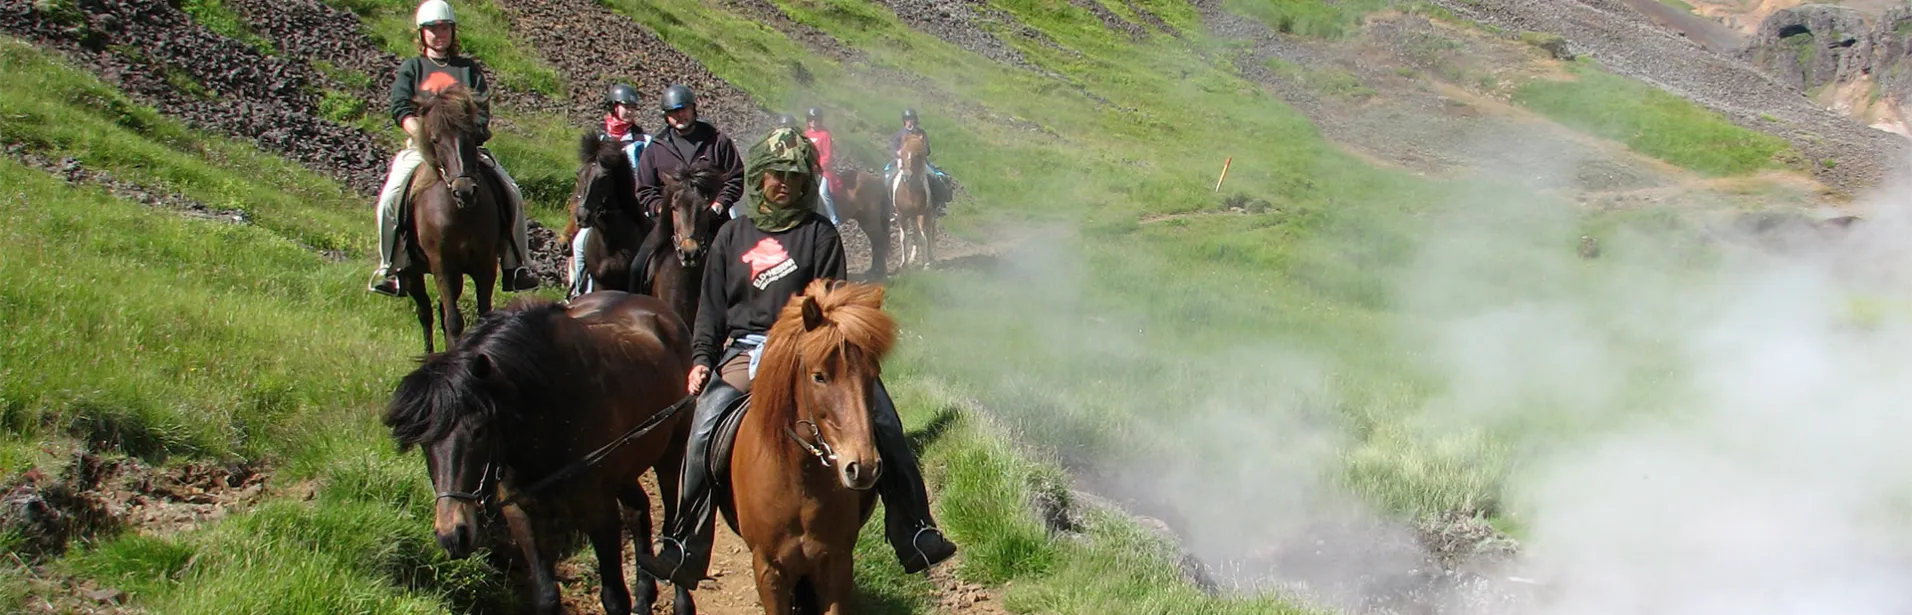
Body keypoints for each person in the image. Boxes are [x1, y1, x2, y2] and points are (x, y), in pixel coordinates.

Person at [638, 127, 958, 588]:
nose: (784, 183)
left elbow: (835, 306)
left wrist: (809, 343)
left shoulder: (820, 234)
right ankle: (686, 544)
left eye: (793, 174)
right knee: (702, 426)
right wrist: (703, 359)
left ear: (806, 180)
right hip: (745, 348)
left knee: (883, 421)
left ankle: (914, 528)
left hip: (813, 350)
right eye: (775, 174)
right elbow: (710, 309)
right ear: (760, 178)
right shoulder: (732, 235)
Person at [369, 0, 539, 296]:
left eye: (444, 28)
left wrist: (468, 136)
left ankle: (517, 265)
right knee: (390, 198)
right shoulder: (413, 68)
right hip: (422, 149)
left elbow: (482, 111)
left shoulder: (467, 70)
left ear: (452, 31)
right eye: (432, 29)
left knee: (512, 191)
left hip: (466, 149)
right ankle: (390, 268)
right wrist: (422, 134)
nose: (439, 34)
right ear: (422, 33)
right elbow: (400, 108)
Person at [628, 84, 745, 292]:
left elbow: (735, 177)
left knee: (743, 264)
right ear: (666, 116)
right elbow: (645, 189)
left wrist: (720, 204)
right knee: (638, 266)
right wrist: (661, 210)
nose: (679, 115)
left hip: (713, 220)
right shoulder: (656, 148)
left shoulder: (717, 141)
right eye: (673, 112)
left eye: (683, 109)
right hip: (672, 224)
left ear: (694, 109)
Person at [569, 82, 652, 297]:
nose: (630, 110)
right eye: (625, 106)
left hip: (635, 206)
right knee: (579, 244)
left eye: (633, 107)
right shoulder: (599, 141)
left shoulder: (643, 141)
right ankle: (578, 293)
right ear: (613, 107)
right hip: (600, 211)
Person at [882, 108, 953, 221]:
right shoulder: (899, 134)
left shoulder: (921, 133)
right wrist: (899, 153)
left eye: (912, 119)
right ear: (904, 121)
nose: (911, 121)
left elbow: (928, 150)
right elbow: (894, 149)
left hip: (920, 164)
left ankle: (939, 205)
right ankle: (890, 209)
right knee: (887, 179)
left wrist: (920, 152)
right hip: (902, 163)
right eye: (908, 119)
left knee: (935, 177)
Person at [802, 107, 840, 225]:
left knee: (823, 192)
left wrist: (817, 166)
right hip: (808, 168)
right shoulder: (806, 134)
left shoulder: (825, 134)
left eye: (816, 120)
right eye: (811, 119)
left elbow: (827, 155)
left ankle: (834, 218)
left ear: (820, 120)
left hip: (823, 170)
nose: (813, 122)